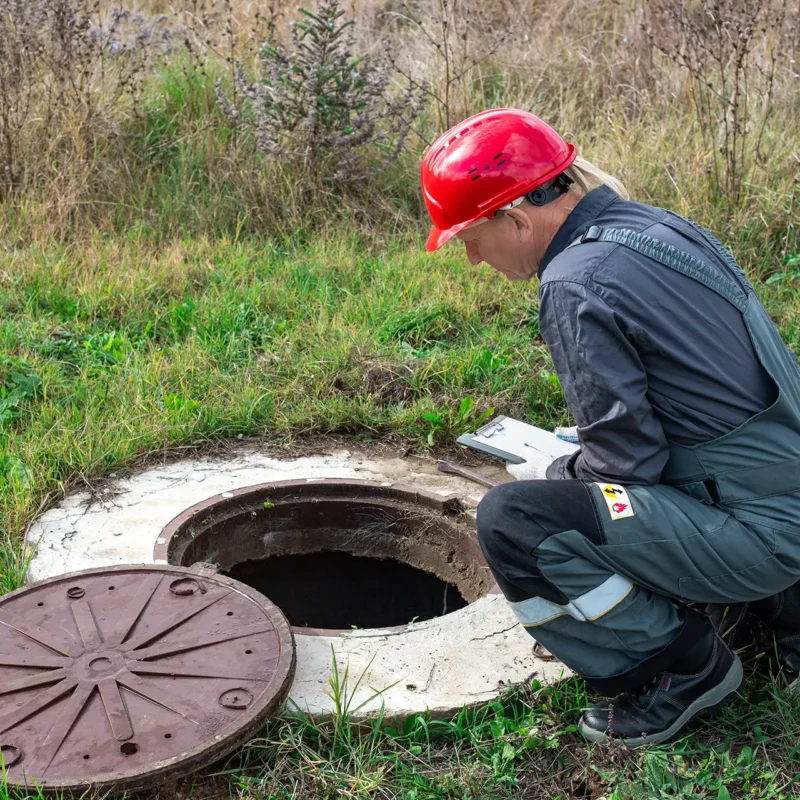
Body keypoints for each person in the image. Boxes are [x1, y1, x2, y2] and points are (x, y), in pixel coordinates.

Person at [420, 108, 800, 747]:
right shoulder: (653, 228)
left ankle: (677, 670)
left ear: (515, 219)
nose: (472, 259)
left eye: (469, 239)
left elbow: (624, 466)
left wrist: (557, 472)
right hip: (783, 484)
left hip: (765, 533)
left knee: (516, 523)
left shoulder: (573, 283)